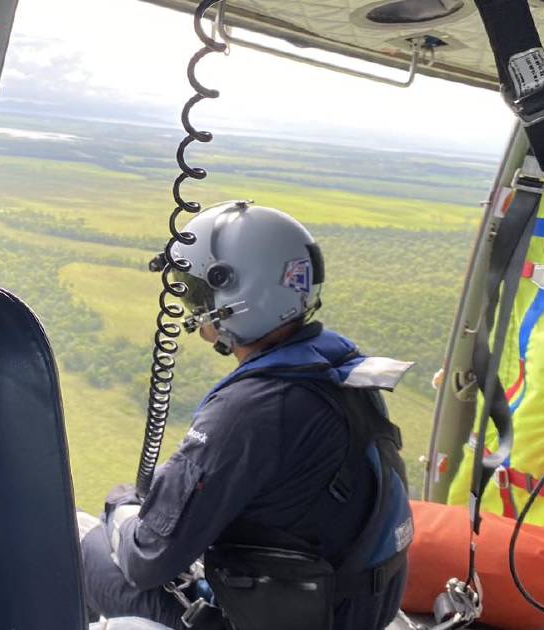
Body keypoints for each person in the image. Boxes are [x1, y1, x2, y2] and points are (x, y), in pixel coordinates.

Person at [81, 201, 414, 630]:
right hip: (341, 609)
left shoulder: (253, 409)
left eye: (200, 292)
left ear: (238, 293)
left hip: (275, 618)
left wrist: (122, 506)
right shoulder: (337, 368)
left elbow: (147, 559)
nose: (194, 307)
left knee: (75, 536)